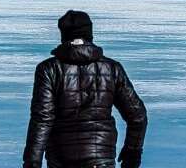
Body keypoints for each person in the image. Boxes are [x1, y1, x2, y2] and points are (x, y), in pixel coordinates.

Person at [23, 10, 147, 168]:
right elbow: (138, 116)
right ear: (90, 35)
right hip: (100, 158)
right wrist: (132, 152)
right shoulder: (111, 69)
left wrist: (32, 162)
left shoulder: (49, 69)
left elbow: (42, 119)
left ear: (63, 36)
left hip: (61, 159)